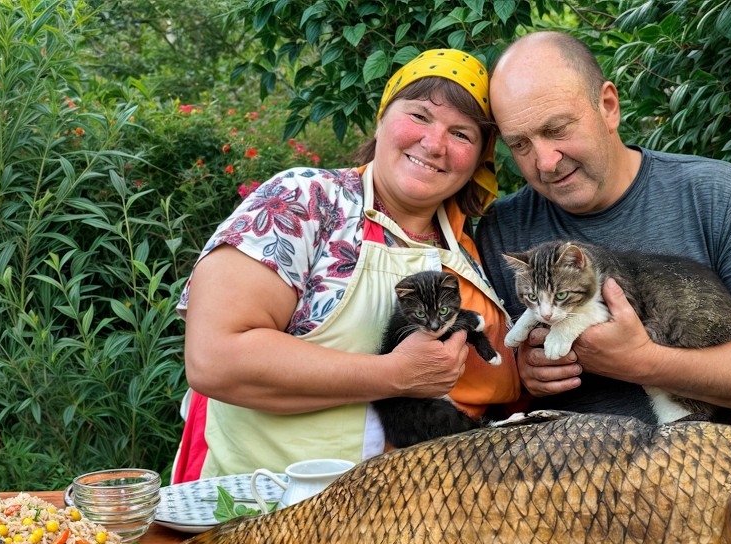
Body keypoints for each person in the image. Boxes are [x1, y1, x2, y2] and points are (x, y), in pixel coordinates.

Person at [172, 49, 520, 482]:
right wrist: (394, 375)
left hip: (410, 525)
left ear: (480, 160)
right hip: (265, 514)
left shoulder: (473, 248)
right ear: (381, 118)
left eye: (462, 134)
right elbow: (214, 358)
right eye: (419, 115)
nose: (434, 144)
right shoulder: (304, 202)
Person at [474, 31, 731, 421]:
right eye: (520, 144)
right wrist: (521, 375)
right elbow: (488, 381)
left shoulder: (711, 193)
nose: (545, 162)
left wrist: (643, 362)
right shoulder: (502, 228)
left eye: (557, 130)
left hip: (712, 462)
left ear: (608, 106)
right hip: (566, 472)